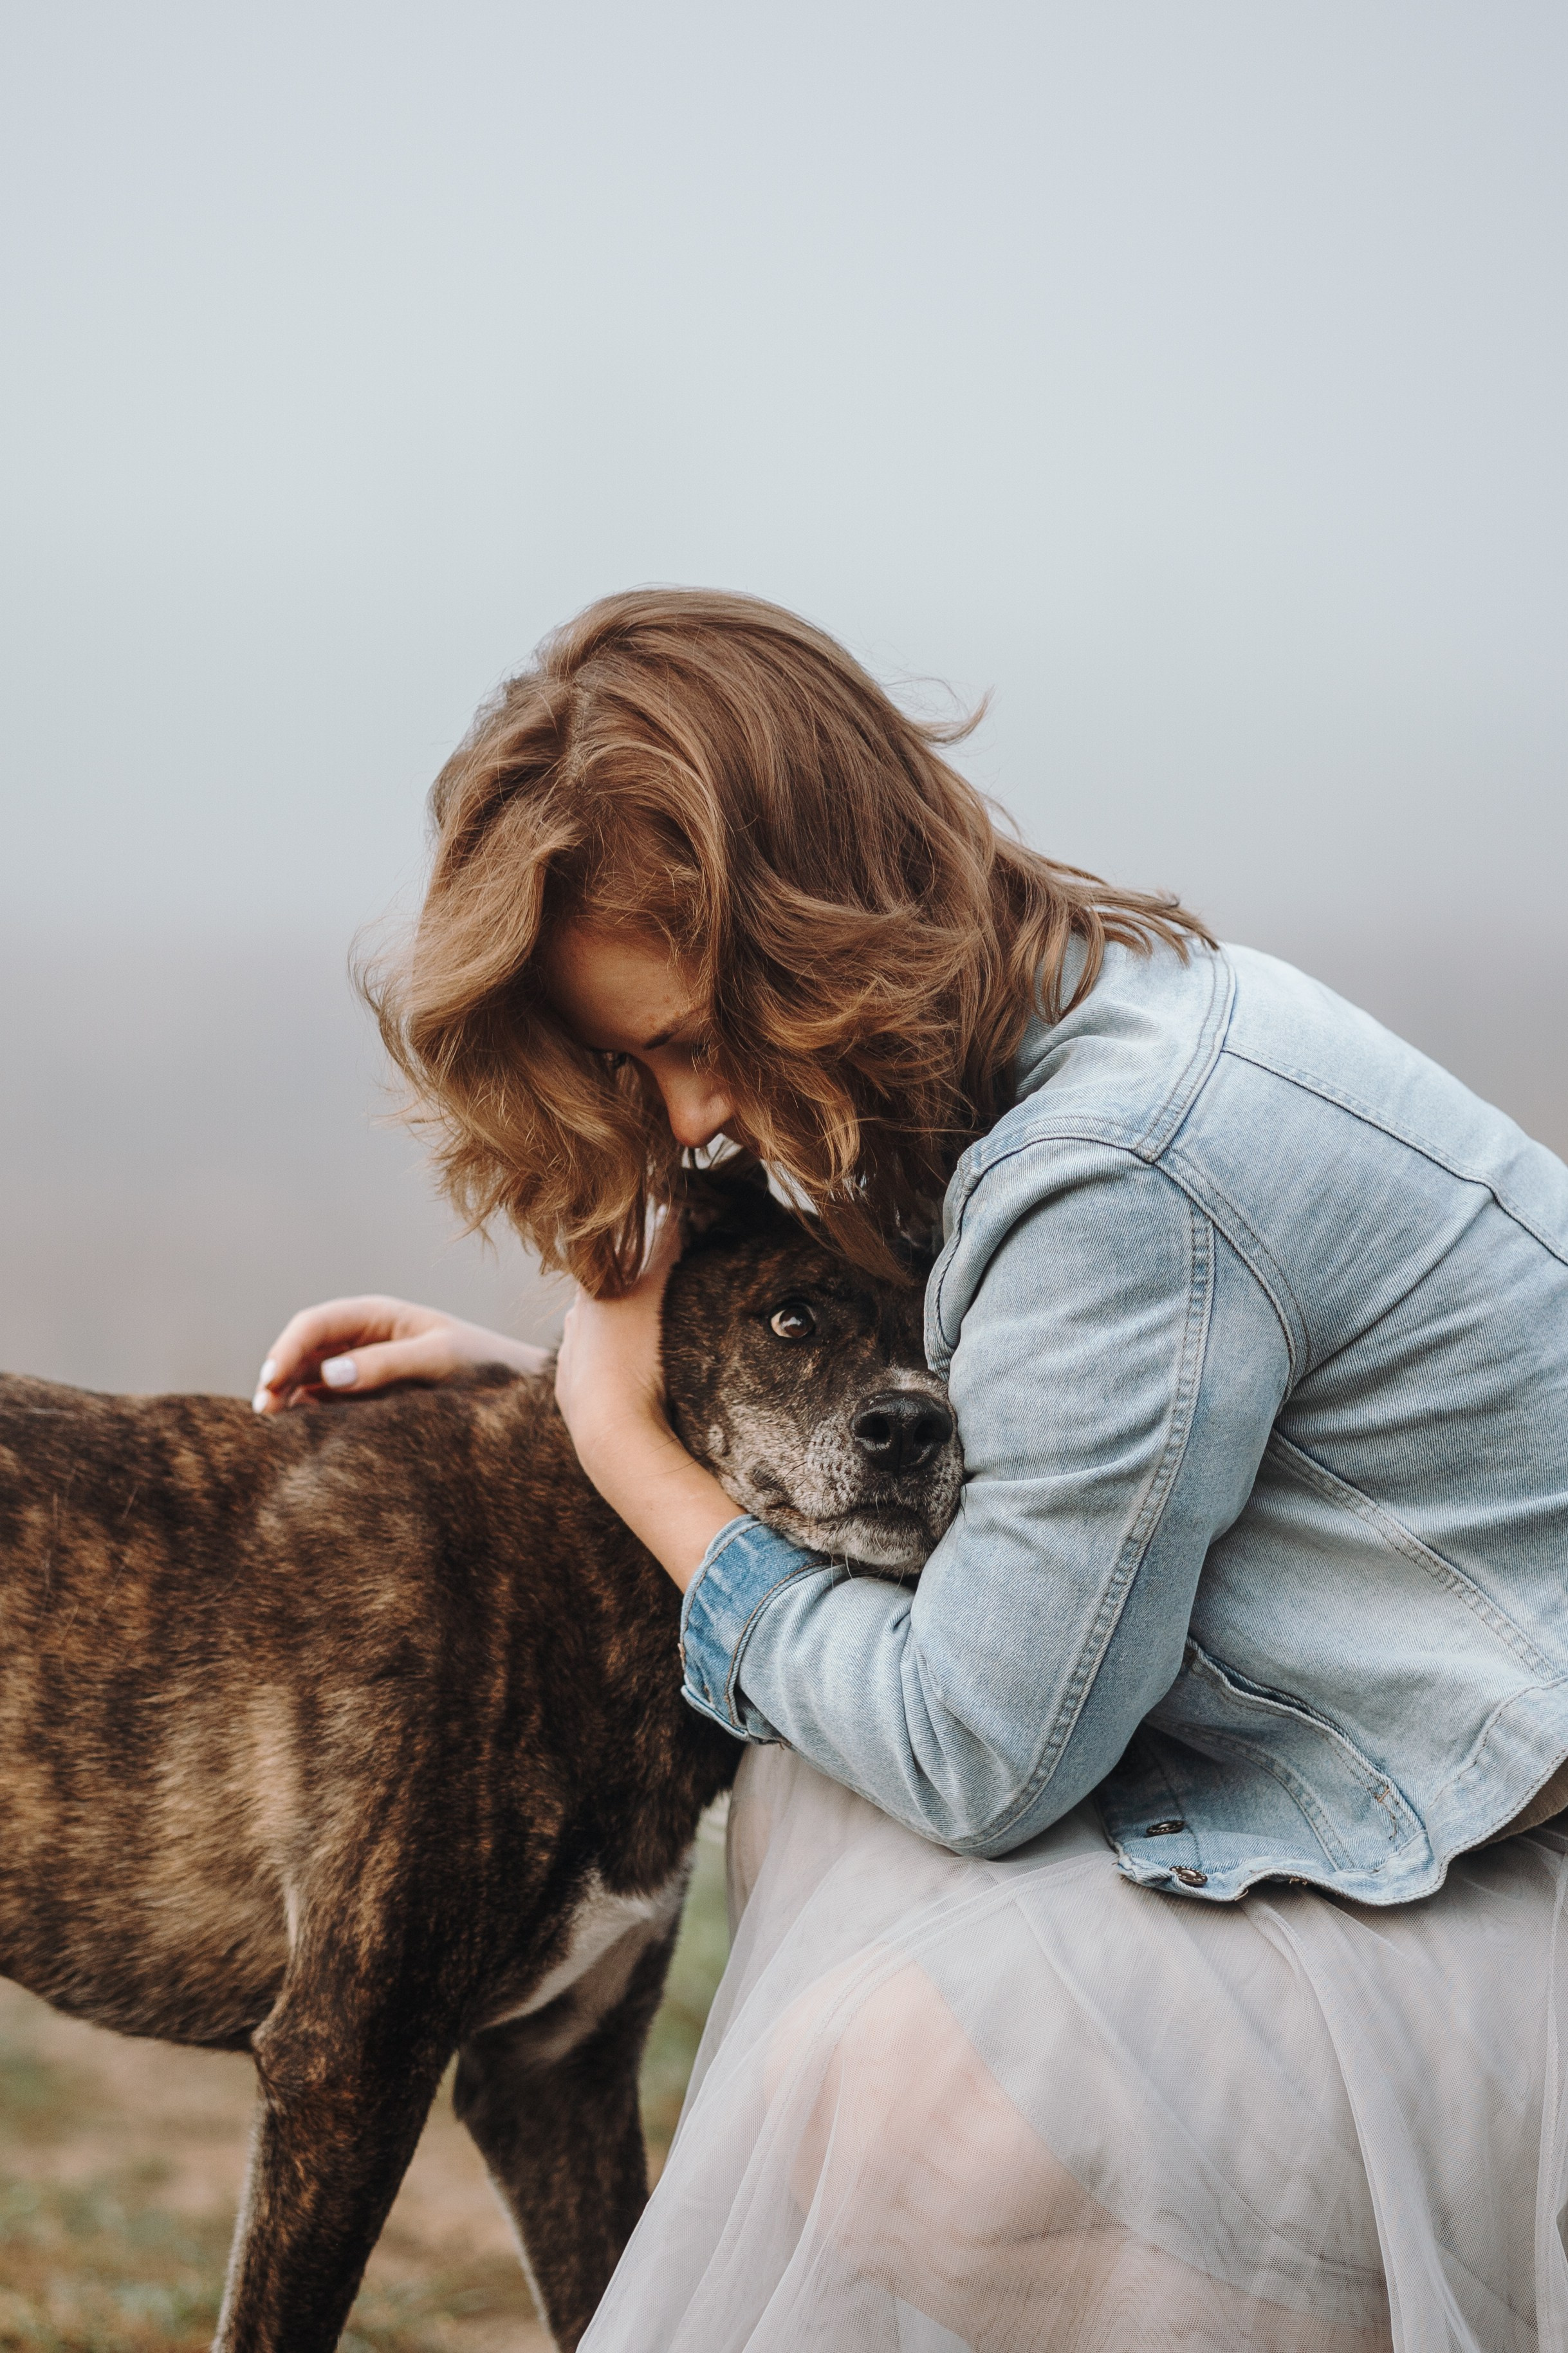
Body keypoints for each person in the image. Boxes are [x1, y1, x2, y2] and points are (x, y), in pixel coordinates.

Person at [257, 589, 1568, 2353]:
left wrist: (630, 1458)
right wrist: (581, 1407)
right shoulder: (1101, 1023)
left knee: (912, 2056)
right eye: (641, 1069)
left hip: (1507, 1893)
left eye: (698, 1039)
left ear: (827, 916)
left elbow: (977, 1753)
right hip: (1419, 1780)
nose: (695, 1120)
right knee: (837, 1810)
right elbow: (1043, 1472)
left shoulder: (1111, 1172)